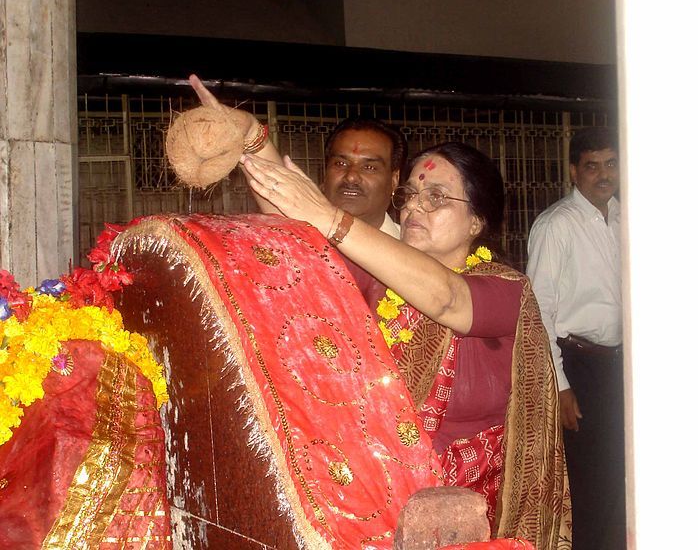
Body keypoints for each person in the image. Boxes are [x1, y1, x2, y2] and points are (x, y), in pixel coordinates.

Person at [239, 141, 571, 549]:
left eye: (436, 197)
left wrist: (327, 216)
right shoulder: (378, 280)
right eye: (410, 194)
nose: (414, 207)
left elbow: (447, 298)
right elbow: (301, 230)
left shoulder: (505, 292)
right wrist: (250, 139)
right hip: (375, 509)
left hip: (472, 523)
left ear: (476, 222)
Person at [525, 127, 624, 550]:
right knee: (588, 480)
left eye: (611, 164)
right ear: (573, 171)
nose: (604, 175)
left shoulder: (625, 218)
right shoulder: (556, 225)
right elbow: (538, 310)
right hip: (579, 365)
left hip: (622, 364)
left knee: (622, 473)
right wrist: (560, 384)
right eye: (592, 166)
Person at [188, 75, 406, 238]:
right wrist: (247, 132)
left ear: (394, 180)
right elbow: (276, 194)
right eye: (340, 163)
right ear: (325, 174)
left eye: (369, 167)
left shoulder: (414, 251)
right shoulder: (300, 242)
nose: (351, 177)